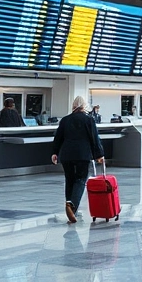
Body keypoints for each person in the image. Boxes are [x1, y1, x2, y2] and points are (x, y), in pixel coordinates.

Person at [51, 96, 105, 224]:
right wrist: (99, 154)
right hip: (82, 154)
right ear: (84, 106)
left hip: (66, 155)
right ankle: (72, 206)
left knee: (69, 180)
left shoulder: (65, 120)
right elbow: (94, 139)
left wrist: (55, 152)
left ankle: (70, 207)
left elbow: (58, 138)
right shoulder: (89, 120)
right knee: (80, 180)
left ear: (73, 105)